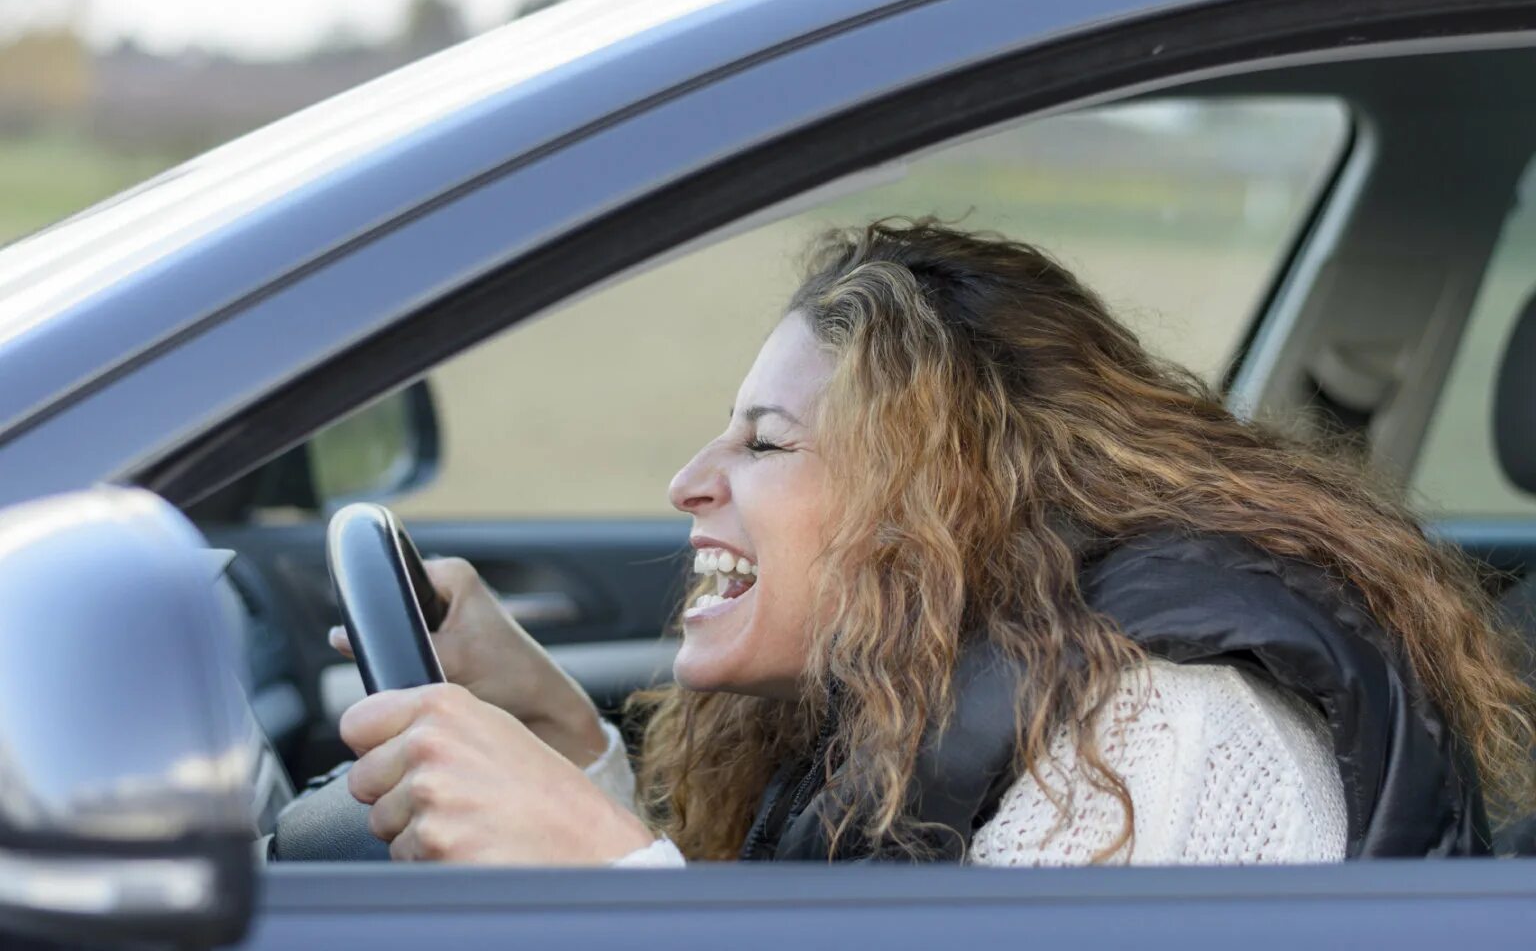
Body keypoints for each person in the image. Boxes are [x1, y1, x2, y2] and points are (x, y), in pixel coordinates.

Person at [332, 218, 1536, 866]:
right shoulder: (930, 697)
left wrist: (607, 883)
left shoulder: (1164, 738)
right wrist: (568, 742)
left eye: (765, 443)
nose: (688, 481)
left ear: (944, 496)